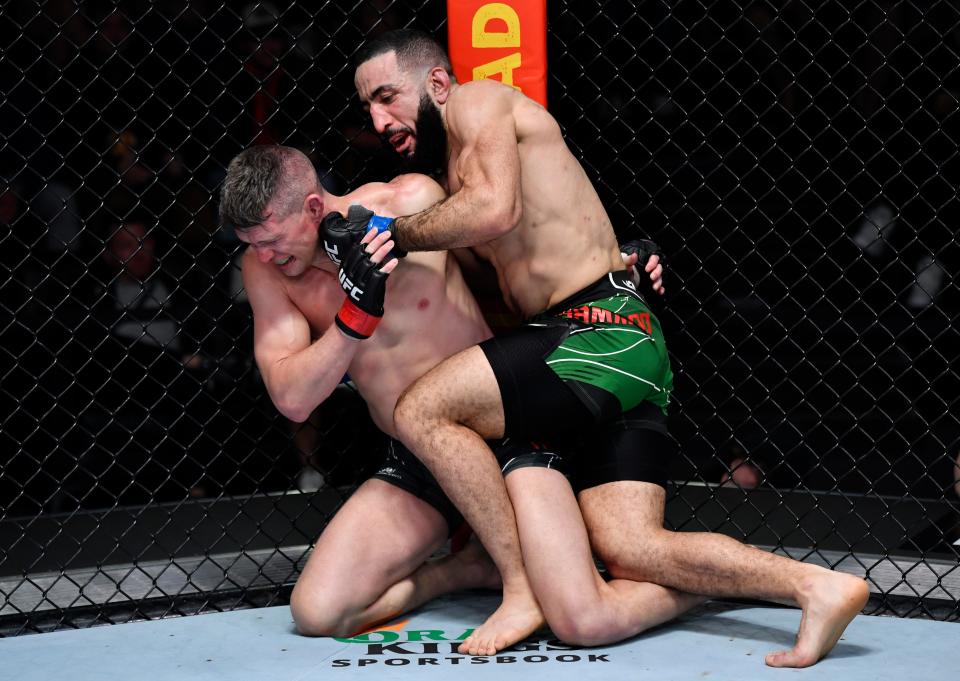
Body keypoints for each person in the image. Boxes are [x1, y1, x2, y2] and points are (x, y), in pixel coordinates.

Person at [336, 28, 869, 666]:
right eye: (368, 106)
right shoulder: (455, 179)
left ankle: (520, 585)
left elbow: (498, 210)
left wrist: (393, 236)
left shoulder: (478, 103)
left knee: (423, 408)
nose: (378, 118)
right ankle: (817, 586)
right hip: (619, 338)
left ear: (439, 83)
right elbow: (525, 261)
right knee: (633, 549)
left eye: (388, 96)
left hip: (597, 330)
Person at [218, 145, 695, 640]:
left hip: (505, 432)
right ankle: (461, 570)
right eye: (253, 243)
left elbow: (521, 263)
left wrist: (612, 265)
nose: (266, 255)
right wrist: (353, 318)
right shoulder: (265, 272)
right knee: (319, 611)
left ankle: (537, 579)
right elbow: (291, 397)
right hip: (417, 459)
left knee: (580, 606)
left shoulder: (411, 203)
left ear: (314, 207)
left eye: (273, 239)